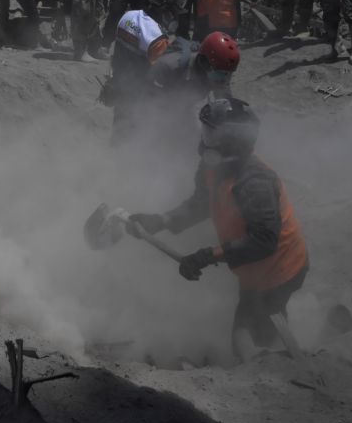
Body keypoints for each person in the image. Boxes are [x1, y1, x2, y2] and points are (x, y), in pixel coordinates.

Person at [127, 96, 309, 358]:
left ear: (234, 140)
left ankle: (286, 364)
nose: (204, 140)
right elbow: (201, 203)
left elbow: (263, 241)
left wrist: (206, 256)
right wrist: (160, 221)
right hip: (255, 269)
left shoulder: (254, 181)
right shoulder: (215, 165)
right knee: (254, 329)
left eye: (211, 133)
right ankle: (276, 349)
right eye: (205, 130)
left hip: (280, 269)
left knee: (246, 340)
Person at [101, 8, 173, 142]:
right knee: (136, 129)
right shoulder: (158, 37)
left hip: (119, 77)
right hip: (139, 89)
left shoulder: (129, 16)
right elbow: (158, 72)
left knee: (119, 122)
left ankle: (114, 151)